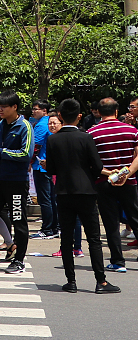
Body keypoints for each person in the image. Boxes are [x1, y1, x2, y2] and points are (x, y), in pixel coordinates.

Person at [46, 99, 117, 294]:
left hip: (63, 191)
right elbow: (98, 166)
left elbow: (51, 168)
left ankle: (71, 281)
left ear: (60, 115)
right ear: (79, 116)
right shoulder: (86, 138)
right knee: (93, 238)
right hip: (86, 191)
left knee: (66, 238)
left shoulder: (52, 139)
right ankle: (100, 281)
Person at [0, 91, 33, 275]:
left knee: (18, 220)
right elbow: (0, 153)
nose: (0, 110)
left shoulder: (24, 126)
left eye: (3, 107)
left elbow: (26, 154)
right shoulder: (2, 124)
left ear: (15, 107)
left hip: (17, 182)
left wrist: (0, 152)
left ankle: (19, 260)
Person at [84, 97, 138, 273]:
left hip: (103, 182)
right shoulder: (132, 130)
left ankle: (117, 261)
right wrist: (126, 173)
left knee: (110, 222)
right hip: (129, 181)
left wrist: (110, 174)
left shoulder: (91, 133)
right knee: (135, 218)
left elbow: (91, 162)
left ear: (98, 112)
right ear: (117, 111)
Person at [30, 100, 58, 240]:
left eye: (36, 109)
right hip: (49, 165)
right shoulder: (50, 123)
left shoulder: (42, 125)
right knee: (51, 198)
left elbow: (36, 147)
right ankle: (54, 227)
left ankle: (47, 228)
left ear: (44, 111)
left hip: (41, 166)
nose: (33, 111)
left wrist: (29, 162)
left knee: (44, 199)